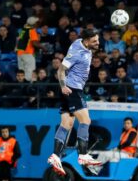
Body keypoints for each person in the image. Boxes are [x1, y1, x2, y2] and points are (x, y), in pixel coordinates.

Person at [47, 29, 101, 176]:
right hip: (72, 89)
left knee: (67, 124)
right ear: (88, 40)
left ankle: (56, 156)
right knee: (86, 121)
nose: (98, 43)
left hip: (71, 89)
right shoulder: (77, 52)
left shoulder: (79, 43)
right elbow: (60, 70)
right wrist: (64, 86)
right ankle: (83, 154)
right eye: (95, 40)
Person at [16, 16, 47, 81]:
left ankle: (21, 87)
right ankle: (28, 88)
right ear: (34, 23)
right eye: (37, 22)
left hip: (20, 53)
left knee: (22, 72)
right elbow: (35, 43)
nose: (38, 23)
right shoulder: (32, 30)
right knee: (29, 72)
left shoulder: (23, 30)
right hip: (28, 53)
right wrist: (44, 48)